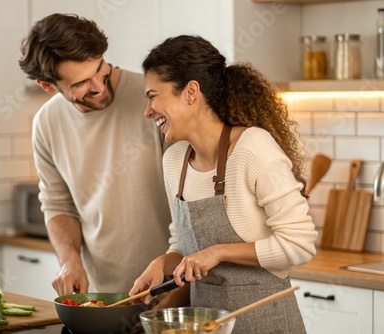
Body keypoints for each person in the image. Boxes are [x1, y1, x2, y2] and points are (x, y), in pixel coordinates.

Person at [128, 35, 318, 333]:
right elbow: (184, 245)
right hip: (206, 325)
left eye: (153, 95)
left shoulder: (252, 148)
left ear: (191, 91)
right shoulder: (174, 160)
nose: (148, 110)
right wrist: (163, 262)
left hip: (265, 324)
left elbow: (300, 244)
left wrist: (219, 252)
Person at [18, 13, 171, 295]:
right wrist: (69, 261)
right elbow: (58, 205)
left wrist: (179, 282)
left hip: (172, 287)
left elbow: (193, 200)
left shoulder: (154, 99)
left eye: (100, 69)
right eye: (80, 83)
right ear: (48, 85)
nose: (99, 87)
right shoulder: (47, 123)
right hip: (104, 297)